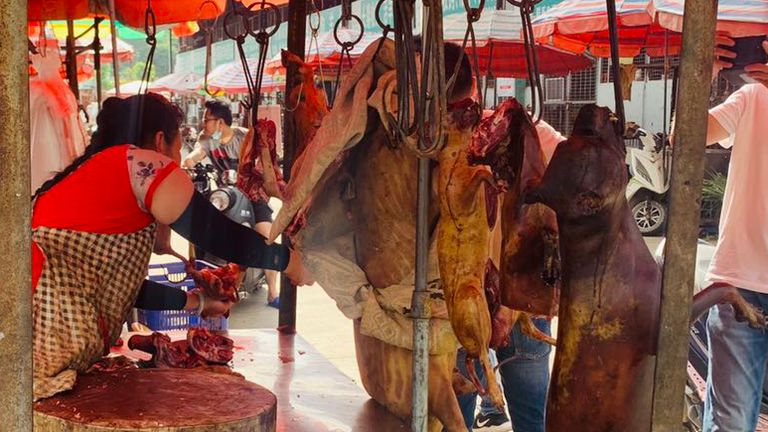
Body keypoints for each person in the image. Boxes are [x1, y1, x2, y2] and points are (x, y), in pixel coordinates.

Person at [31, 93, 311, 401]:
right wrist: (288, 260)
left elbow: (118, 290)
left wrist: (199, 302)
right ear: (161, 140)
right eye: (178, 149)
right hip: (43, 353)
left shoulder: (93, 175)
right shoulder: (138, 163)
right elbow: (212, 233)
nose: (176, 160)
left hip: (36, 353)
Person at [697, 35, 768, 432]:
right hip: (741, 282)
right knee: (731, 424)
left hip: (740, 281)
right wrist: (700, 76)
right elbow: (687, 140)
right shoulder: (753, 97)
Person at [182, 99, 282, 307]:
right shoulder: (208, 139)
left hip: (253, 193)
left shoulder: (244, 136)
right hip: (226, 195)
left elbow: (265, 161)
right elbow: (197, 153)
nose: (203, 123)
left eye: (206, 119)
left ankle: (273, 292)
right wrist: (188, 163)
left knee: (266, 237)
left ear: (220, 122)